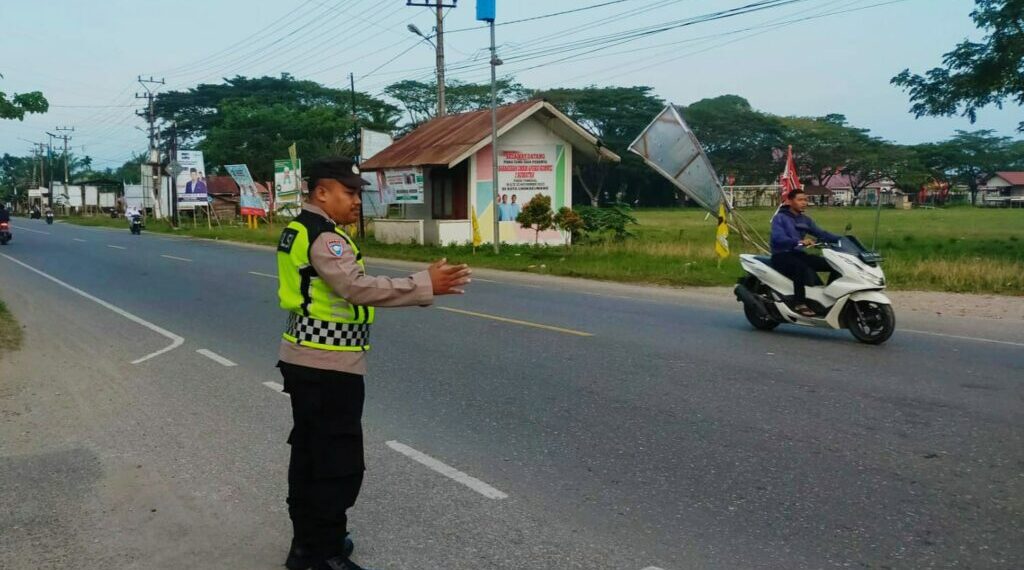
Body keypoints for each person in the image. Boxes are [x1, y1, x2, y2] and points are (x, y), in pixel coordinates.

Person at [276, 157, 471, 570]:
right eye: (349, 193)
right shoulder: (324, 237)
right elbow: (355, 287)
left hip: (308, 360)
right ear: (321, 192)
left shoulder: (302, 228)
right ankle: (320, 555)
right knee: (337, 462)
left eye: (358, 193)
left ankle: (308, 544)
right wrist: (423, 284)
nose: (356, 202)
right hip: (327, 366)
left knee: (311, 455)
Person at [770, 188, 840, 317]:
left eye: (805, 200)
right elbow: (778, 238)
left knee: (835, 265)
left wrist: (841, 239)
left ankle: (828, 298)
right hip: (781, 255)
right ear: (790, 201)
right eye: (800, 200)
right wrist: (799, 241)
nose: (804, 202)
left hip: (798, 254)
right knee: (800, 267)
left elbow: (821, 233)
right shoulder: (779, 218)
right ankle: (799, 303)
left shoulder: (805, 220)